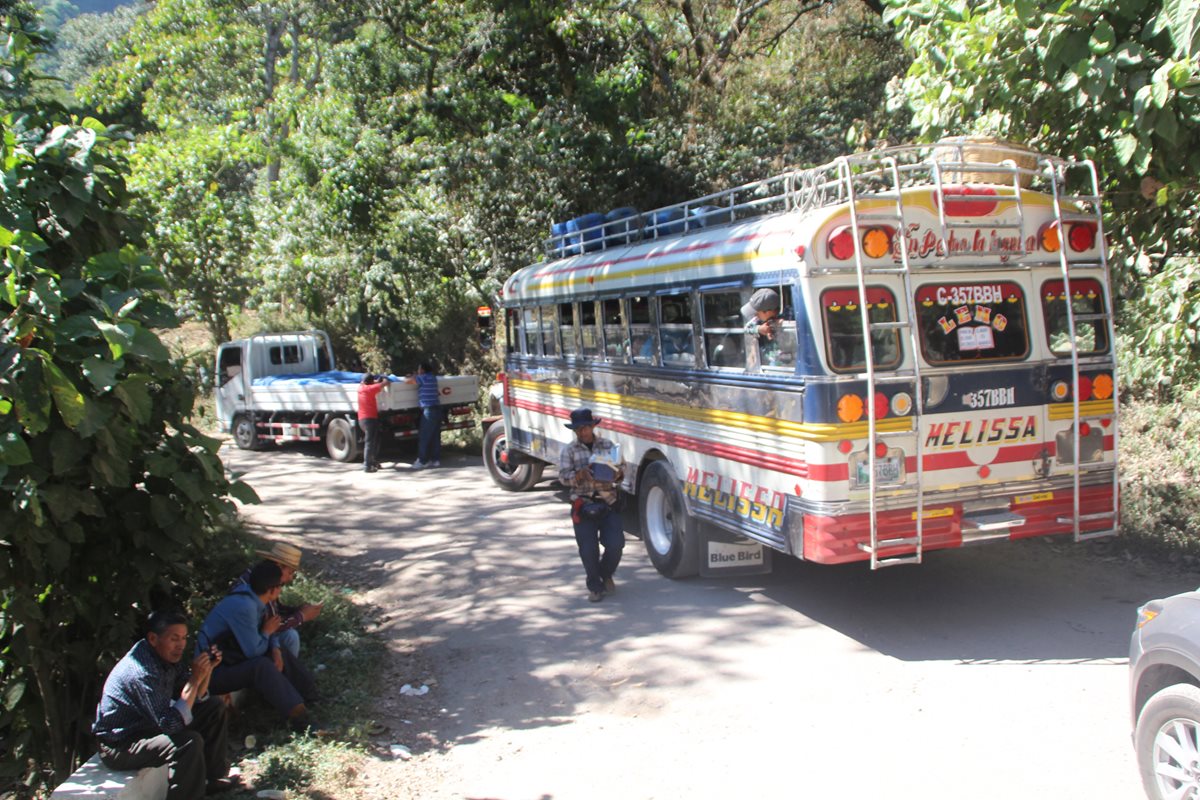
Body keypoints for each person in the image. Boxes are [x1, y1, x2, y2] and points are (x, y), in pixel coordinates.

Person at [93, 610, 234, 798]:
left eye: (184, 638)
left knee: (213, 706)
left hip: (149, 726)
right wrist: (195, 678)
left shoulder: (164, 656)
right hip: (121, 744)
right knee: (188, 743)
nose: (181, 645)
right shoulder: (142, 672)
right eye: (174, 639)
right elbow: (171, 724)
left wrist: (206, 670)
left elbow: (196, 696)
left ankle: (213, 778)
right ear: (153, 638)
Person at [198, 561, 319, 733]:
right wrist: (267, 633)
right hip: (213, 671)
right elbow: (254, 651)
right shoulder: (244, 607)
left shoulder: (255, 598)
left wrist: (275, 647)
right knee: (260, 666)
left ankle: (310, 695)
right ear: (272, 590)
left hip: (231, 658)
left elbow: (267, 631)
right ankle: (300, 719)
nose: (280, 591)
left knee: (279, 653)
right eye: (279, 587)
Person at [558, 408, 626, 602]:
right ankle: (595, 586)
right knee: (588, 550)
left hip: (608, 501)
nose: (582, 431)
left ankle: (606, 575)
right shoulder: (569, 450)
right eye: (578, 429)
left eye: (585, 427)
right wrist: (578, 475)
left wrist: (618, 474)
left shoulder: (608, 445)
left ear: (592, 427)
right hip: (582, 503)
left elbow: (622, 469)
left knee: (616, 544)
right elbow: (563, 477)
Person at [231, 541, 322, 659]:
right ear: (279, 566)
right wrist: (301, 616)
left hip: (258, 635)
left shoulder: (263, 578)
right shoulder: (258, 583)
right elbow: (270, 624)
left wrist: (299, 609)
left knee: (289, 636)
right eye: (290, 572)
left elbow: (274, 612)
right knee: (291, 636)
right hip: (242, 642)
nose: (290, 578)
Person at [407, 362, 442, 469]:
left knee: (424, 436)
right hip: (437, 408)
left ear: (422, 370)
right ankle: (435, 460)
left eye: (419, 369)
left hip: (428, 410)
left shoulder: (422, 378)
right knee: (435, 436)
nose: (418, 371)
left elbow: (408, 381)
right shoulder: (433, 378)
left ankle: (422, 461)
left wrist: (412, 376)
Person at [358, 372, 392, 473]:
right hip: (370, 419)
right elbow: (386, 383)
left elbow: (370, 382)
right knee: (370, 442)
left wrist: (376, 380)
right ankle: (367, 465)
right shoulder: (370, 389)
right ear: (371, 382)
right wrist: (384, 377)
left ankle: (372, 462)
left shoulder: (360, 388)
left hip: (362, 419)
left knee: (372, 441)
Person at [742, 287, 781, 367]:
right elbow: (746, 328)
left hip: (784, 363)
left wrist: (780, 325)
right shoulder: (758, 320)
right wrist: (759, 329)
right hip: (767, 362)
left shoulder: (787, 315)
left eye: (757, 312)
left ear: (768, 312)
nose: (755, 315)